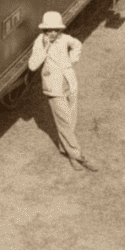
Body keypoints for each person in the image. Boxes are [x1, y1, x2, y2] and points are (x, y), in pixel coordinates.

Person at [27, 11, 98, 172]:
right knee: (65, 122)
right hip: (54, 89)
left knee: (71, 120)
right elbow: (32, 65)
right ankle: (79, 156)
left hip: (70, 84)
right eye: (49, 30)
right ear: (44, 30)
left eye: (56, 30)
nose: (53, 33)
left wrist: (73, 59)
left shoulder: (64, 38)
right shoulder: (40, 42)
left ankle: (68, 153)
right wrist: (45, 50)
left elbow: (77, 44)